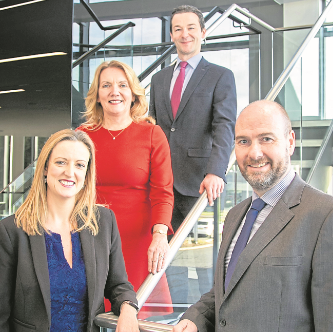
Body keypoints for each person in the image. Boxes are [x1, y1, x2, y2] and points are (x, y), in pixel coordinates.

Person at [173, 100, 333, 332]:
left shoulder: (329, 217)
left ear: (290, 142)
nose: (254, 153)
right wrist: (195, 318)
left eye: (266, 138)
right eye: (243, 141)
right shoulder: (235, 216)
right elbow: (228, 291)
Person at [0, 129, 139, 332]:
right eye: (61, 162)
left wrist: (128, 310)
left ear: (87, 173)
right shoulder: (11, 231)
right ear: (46, 167)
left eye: (79, 165)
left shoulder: (104, 222)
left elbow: (118, 285)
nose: (70, 172)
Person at [149, 4, 237, 304]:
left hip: (202, 183)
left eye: (190, 28)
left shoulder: (220, 76)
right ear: (171, 34)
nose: (184, 34)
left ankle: (206, 314)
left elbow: (225, 126)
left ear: (203, 33)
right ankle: (172, 311)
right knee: (166, 253)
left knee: (206, 256)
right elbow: (156, 129)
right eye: (177, 29)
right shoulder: (160, 80)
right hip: (162, 183)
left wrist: (217, 172)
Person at [78, 60, 174, 317]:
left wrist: (160, 235)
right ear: (97, 95)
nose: (114, 91)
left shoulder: (152, 134)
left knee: (134, 315)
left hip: (137, 239)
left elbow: (163, 192)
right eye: (106, 85)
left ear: (133, 93)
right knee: (90, 312)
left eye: (122, 85)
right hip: (92, 234)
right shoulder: (82, 135)